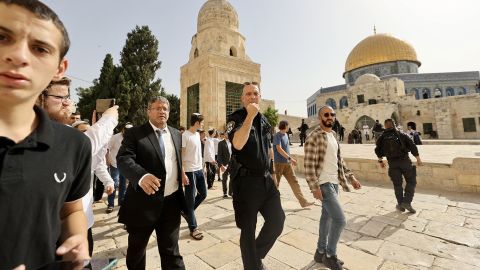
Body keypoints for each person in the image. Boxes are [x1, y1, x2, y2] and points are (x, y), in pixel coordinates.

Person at [0, 1, 91, 269]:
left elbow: (71, 209)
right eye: (3, 37)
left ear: (58, 68)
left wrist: (76, 237)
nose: (18, 55)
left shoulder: (74, 145)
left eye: (39, 48)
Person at [117, 96, 187, 270]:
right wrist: (141, 176)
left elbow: (173, 159)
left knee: (171, 251)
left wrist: (181, 172)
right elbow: (123, 159)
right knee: (137, 251)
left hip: (171, 203)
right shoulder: (135, 133)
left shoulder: (176, 134)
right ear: (148, 111)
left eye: (165, 108)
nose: (161, 111)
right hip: (143, 204)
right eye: (157, 108)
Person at [226, 82, 285, 270]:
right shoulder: (235, 118)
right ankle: (252, 265)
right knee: (248, 229)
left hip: (266, 180)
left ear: (260, 96)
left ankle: (255, 256)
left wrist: (274, 173)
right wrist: (250, 116)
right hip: (246, 183)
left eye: (255, 93)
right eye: (248, 94)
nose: (252, 97)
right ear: (243, 98)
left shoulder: (265, 121)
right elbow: (238, 144)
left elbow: (268, 150)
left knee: (277, 221)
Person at [304, 106, 362, 270]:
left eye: (332, 115)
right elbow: (308, 165)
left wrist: (351, 177)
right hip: (324, 184)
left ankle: (320, 252)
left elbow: (339, 161)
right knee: (340, 220)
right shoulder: (314, 136)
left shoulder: (333, 135)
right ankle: (330, 255)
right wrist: (314, 187)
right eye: (326, 114)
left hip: (335, 182)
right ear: (319, 117)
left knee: (327, 218)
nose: (330, 117)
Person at [375, 119, 423, 214]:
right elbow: (413, 146)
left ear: (385, 126)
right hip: (405, 162)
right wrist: (418, 159)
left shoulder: (382, 137)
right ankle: (407, 202)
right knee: (411, 181)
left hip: (392, 164)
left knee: (397, 185)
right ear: (394, 125)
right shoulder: (402, 134)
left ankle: (400, 204)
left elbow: (377, 150)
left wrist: (380, 161)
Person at [273, 120, 314, 208]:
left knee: (294, 182)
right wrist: (290, 158)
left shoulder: (286, 135)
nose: (289, 127)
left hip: (287, 164)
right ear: (285, 126)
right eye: (288, 125)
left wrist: (289, 160)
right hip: (278, 164)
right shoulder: (277, 136)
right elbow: (279, 149)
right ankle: (270, 204)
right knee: (275, 184)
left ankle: (303, 202)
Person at [181, 113, 208, 240]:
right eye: (201, 122)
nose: (202, 125)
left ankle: (187, 212)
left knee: (203, 194)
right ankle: (193, 228)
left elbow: (198, 153)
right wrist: (182, 173)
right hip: (189, 171)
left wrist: (203, 166)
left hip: (199, 169)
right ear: (196, 123)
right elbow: (181, 157)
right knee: (190, 200)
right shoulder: (185, 136)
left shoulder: (197, 135)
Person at [106, 122, 133, 213]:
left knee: (123, 185)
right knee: (114, 184)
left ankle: (121, 202)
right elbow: (107, 148)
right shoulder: (115, 137)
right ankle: (110, 204)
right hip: (115, 164)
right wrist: (107, 159)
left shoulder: (132, 138)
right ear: (123, 129)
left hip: (126, 165)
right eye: (126, 130)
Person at [217, 131, 232, 198]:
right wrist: (221, 165)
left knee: (232, 178)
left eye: (228, 134)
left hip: (232, 164)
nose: (227, 135)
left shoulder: (232, 142)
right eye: (226, 134)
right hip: (224, 164)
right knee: (224, 179)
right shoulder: (221, 143)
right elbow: (219, 155)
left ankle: (230, 192)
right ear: (224, 135)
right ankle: (225, 193)